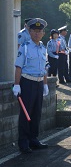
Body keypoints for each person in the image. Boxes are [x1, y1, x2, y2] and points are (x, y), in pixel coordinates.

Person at [12, 18, 49, 154]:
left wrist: (45, 84)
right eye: (34, 30)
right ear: (30, 31)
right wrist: (17, 85)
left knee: (36, 112)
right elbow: (18, 67)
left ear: (43, 33)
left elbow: (45, 67)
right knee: (25, 114)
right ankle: (24, 142)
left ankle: (34, 139)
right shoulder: (25, 46)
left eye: (39, 31)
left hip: (39, 83)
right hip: (27, 83)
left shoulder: (43, 48)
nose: (37, 33)